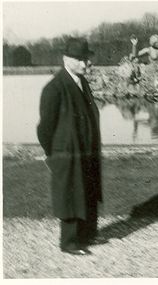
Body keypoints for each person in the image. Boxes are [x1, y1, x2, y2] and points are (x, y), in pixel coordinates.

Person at [37, 37, 107, 256]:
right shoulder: (54, 88)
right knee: (71, 194)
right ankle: (69, 243)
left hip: (86, 150)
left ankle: (87, 235)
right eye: (80, 59)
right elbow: (45, 128)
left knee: (88, 190)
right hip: (67, 153)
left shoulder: (81, 82)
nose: (86, 64)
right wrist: (54, 154)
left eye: (86, 59)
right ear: (66, 59)